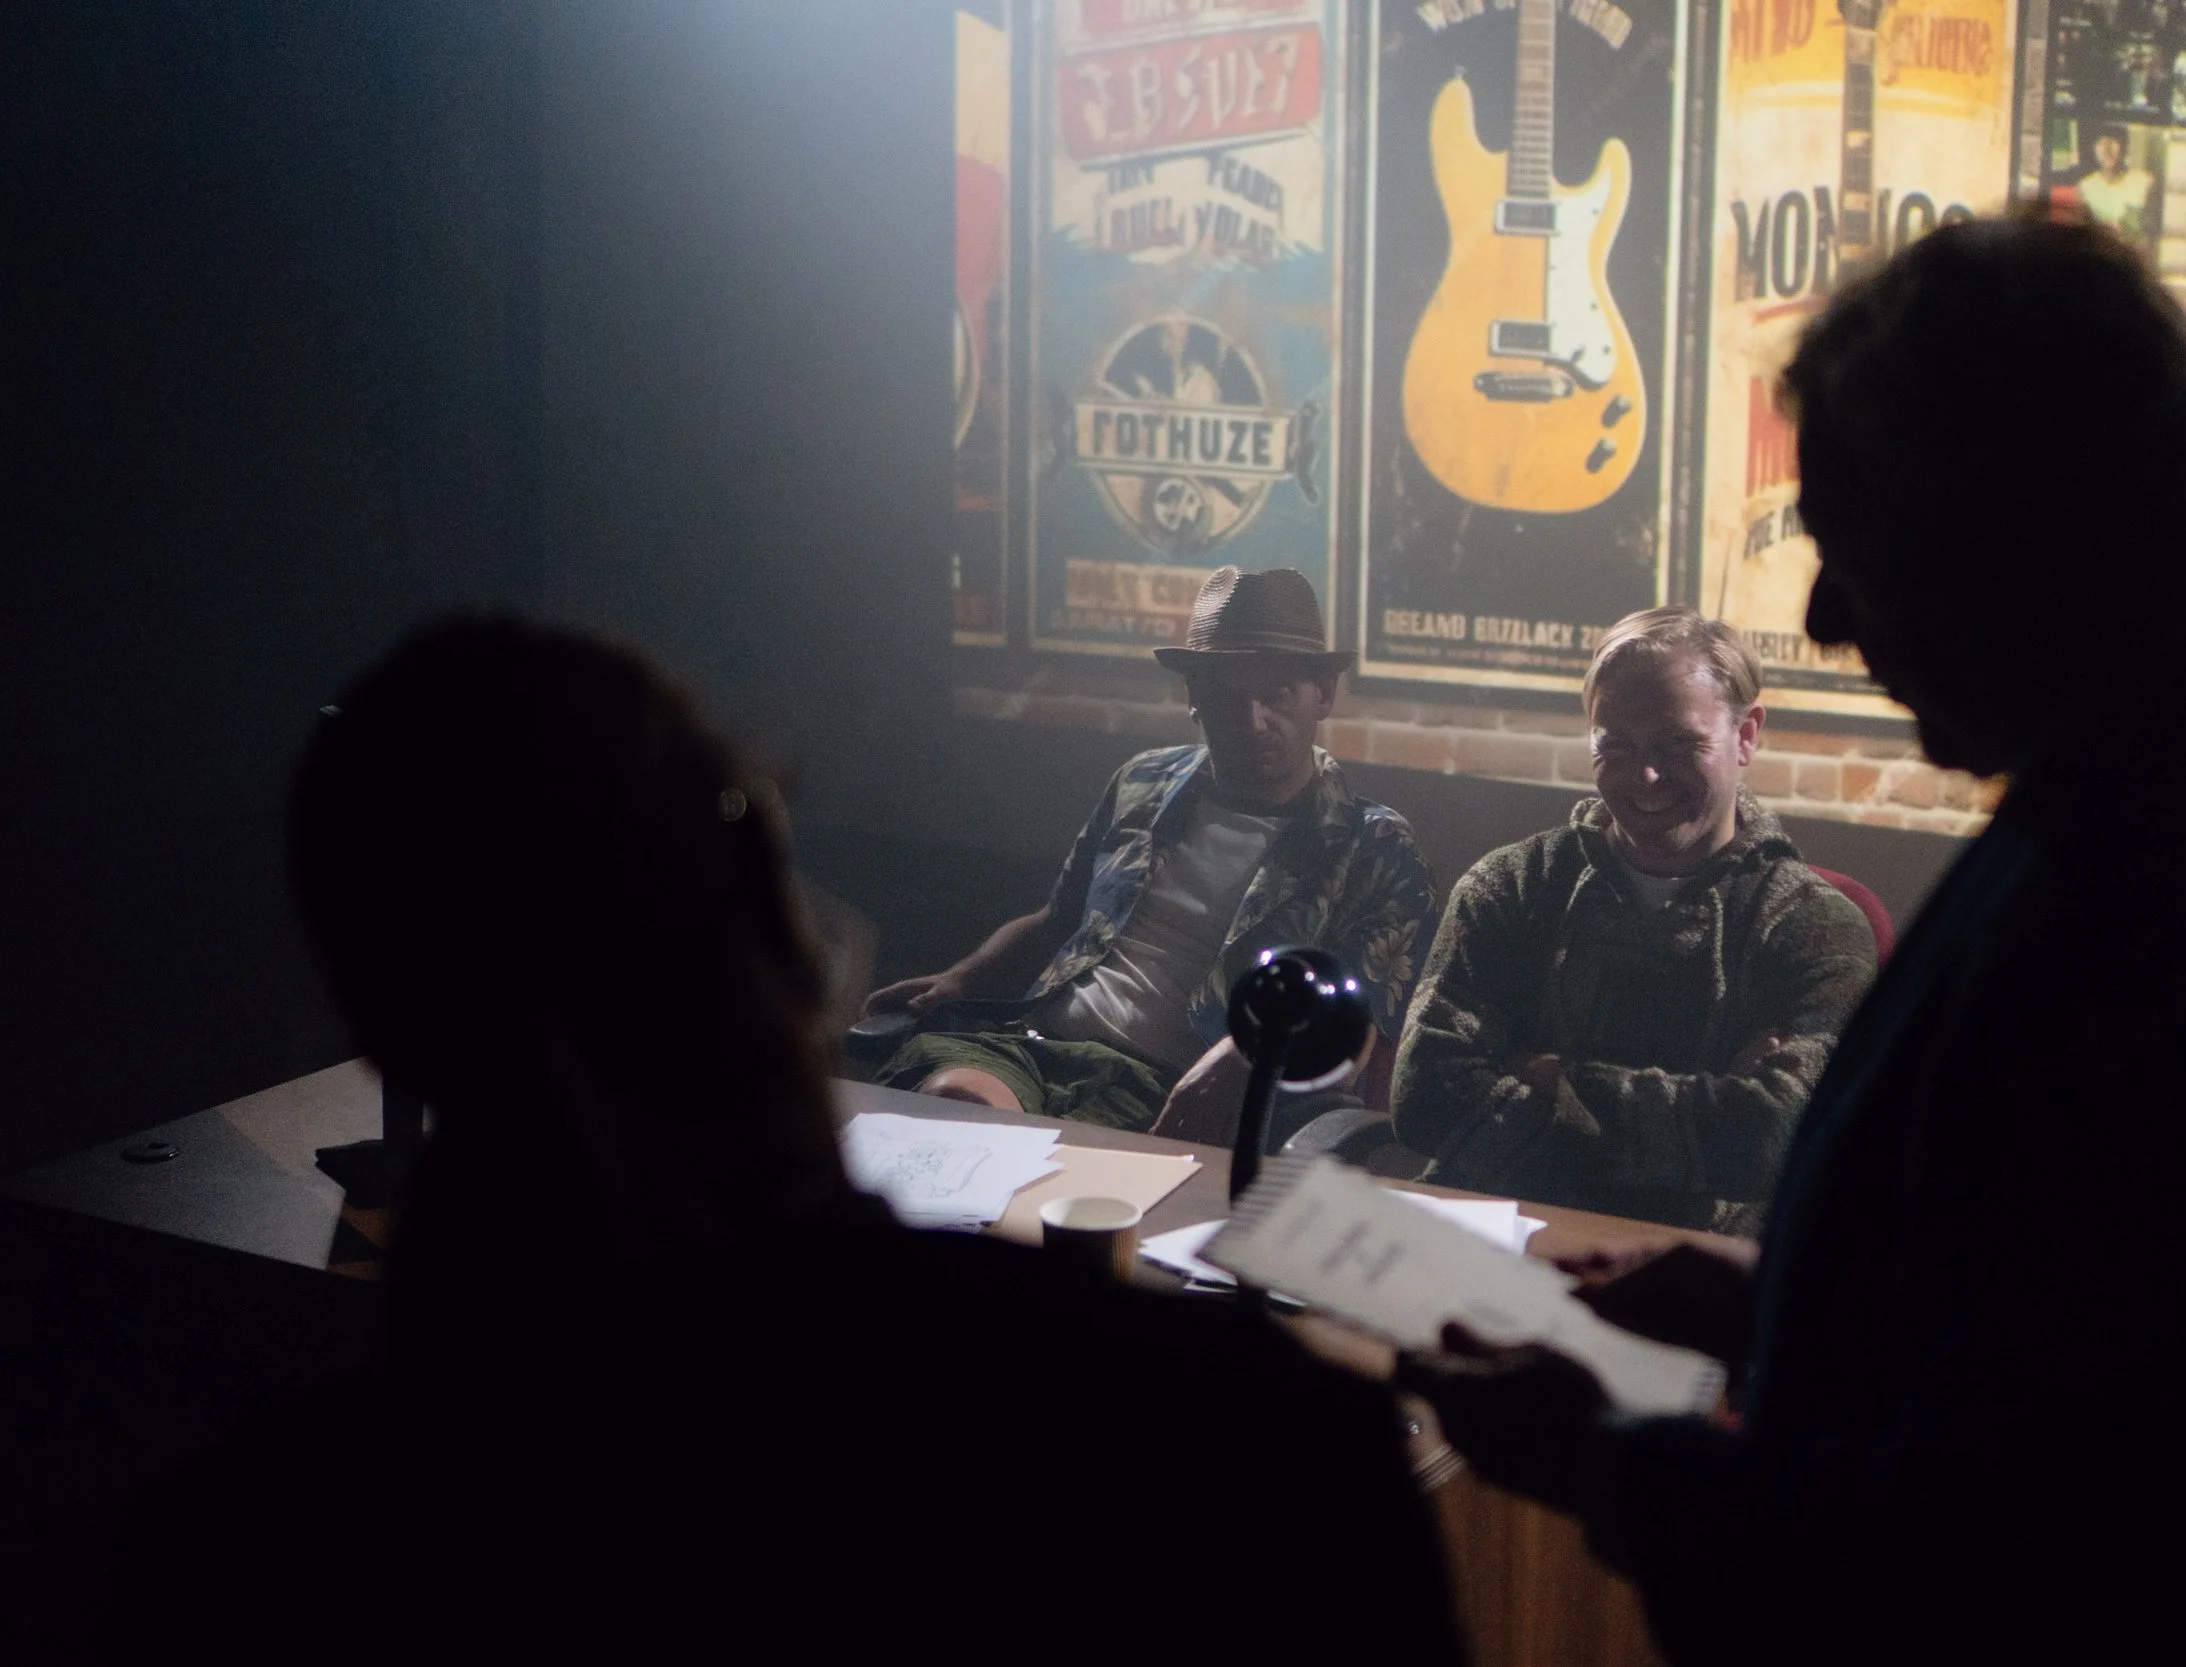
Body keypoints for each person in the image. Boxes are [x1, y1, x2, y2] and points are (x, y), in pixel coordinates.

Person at [1400, 215, 2186, 1666]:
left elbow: (2002, 1554)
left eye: (1864, 544)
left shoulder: (2154, 902)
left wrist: (1603, 1455)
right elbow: (2067, 1342)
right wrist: (1768, 1307)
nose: (1832, 613)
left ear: (2022, 529)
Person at [109, 618, 1461, 1664]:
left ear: (366, 1019)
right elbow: (1051, 930)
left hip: (1147, 1085)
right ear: (776, 919)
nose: (1253, 705)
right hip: (1035, 1049)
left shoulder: (229, 1554)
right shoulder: (1251, 1448)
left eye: (1281, 680)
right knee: (965, 1084)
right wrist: (956, 982)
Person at [864, 566, 1434, 1144]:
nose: (1253, 720)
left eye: (1278, 694)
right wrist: (960, 978)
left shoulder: (1374, 847)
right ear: (1194, 697)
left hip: (1176, 1093)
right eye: (1227, 697)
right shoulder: (1143, 782)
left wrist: (1243, 1056)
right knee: (958, 1111)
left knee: (1019, 1167)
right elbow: (1059, 921)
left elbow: (1356, 1019)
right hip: (1041, 1048)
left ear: (1324, 695)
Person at [1388, 609, 1877, 1233]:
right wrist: (1710, 1099)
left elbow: (1780, 1137)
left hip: (1684, 1275)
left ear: (1746, 734)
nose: (1645, 777)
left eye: (1680, 745)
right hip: (1488, 1244)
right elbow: (1425, 1098)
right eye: (1616, 745)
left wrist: (1548, 1080)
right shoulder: (1511, 886)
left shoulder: (1813, 926)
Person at [2074, 125, 2154, 250]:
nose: (2107, 148)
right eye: (2101, 142)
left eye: (2113, 140)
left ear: (2124, 146)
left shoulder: (2142, 182)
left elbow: (2149, 231)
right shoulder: (2085, 187)